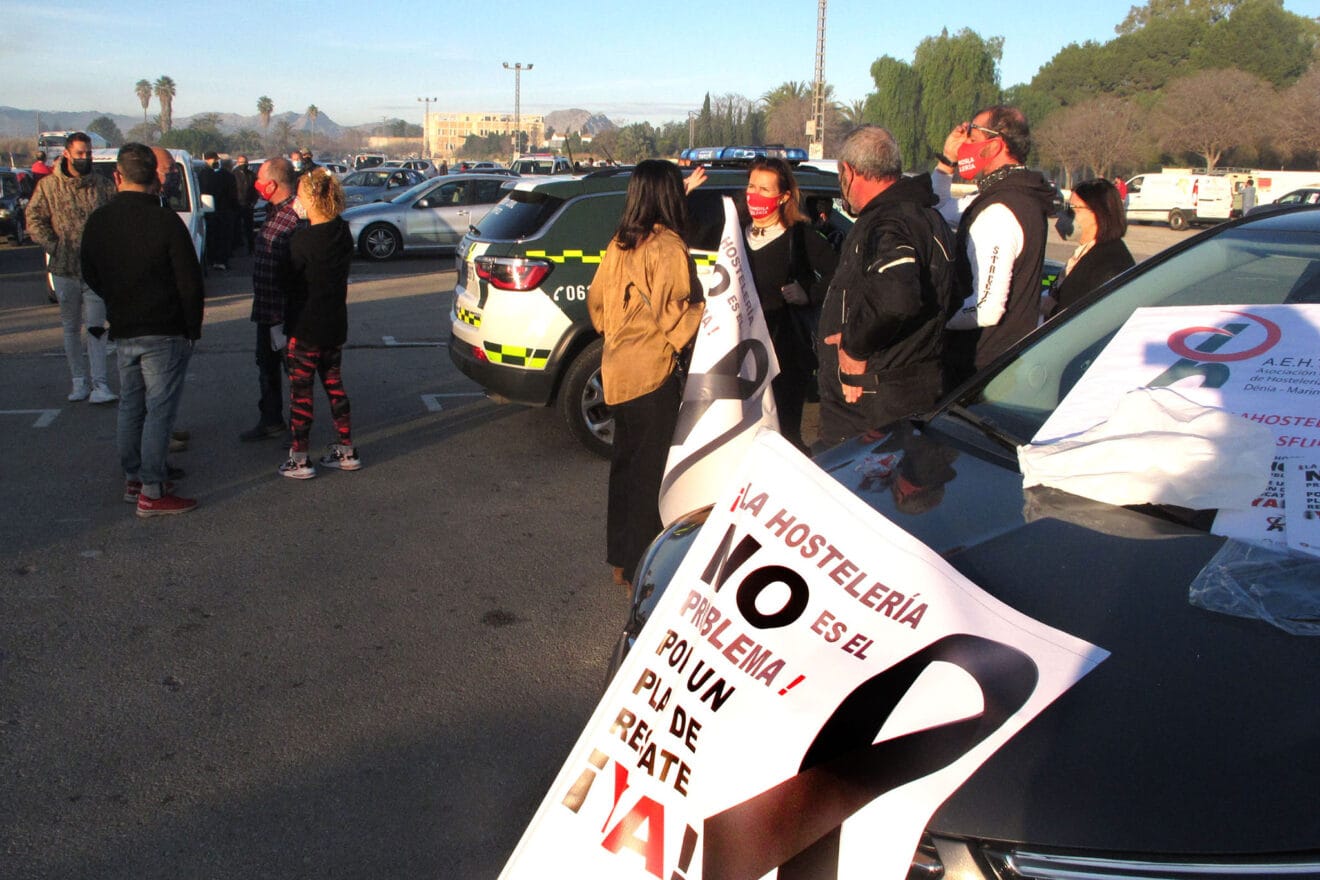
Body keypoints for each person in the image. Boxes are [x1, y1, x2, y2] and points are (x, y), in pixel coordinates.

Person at [587, 160, 704, 587]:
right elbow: (676, 320)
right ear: (668, 197)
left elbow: (597, 306)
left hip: (617, 369)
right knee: (651, 476)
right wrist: (709, 308)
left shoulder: (620, 243)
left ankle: (622, 559)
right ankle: (645, 569)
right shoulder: (668, 246)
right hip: (652, 375)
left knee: (626, 468)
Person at [80, 143, 204, 517]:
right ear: (155, 177)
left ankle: (134, 477)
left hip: (124, 326)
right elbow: (189, 281)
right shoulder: (167, 222)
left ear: (118, 176)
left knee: (131, 406)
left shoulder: (99, 221)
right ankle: (152, 487)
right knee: (159, 410)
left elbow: (90, 272)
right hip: (163, 329)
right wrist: (192, 326)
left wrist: (117, 299)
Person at [817, 125, 958, 448]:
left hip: (869, 401)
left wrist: (854, 346)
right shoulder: (926, 217)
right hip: (905, 389)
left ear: (849, 172)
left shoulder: (889, 222)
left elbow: (897, 297)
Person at [933, 106, 1055, 389]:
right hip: (1006, 361)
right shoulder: (1013, 192)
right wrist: (946, 163)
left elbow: (987, 308)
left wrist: (937, 320)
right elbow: (939, 207)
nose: (965, 147)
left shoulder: (999, 209)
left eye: (972, 139)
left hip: (984, 369)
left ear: (996, 144)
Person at [740, 156, 837, 451]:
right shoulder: (735, 232)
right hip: (742, 356)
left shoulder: (800, 236)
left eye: (765, 189)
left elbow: (840, 273)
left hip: (785, 358)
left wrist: (808, 291)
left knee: (783, 437)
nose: (755, 194)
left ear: (783, 197)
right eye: (751, 186)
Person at [277, 169, 359, 479]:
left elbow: (288, 281)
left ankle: (299, 457)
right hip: (334, 324)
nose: (296, 200)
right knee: (334, 385)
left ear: (311, 198)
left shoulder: (302, 240)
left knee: (302, 392)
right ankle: (347, 449)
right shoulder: (341, 233)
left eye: (299, 194)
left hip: (305, 326)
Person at [26, 131, 119, 404]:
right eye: (79, 153)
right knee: (70, 327)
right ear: (67, 153)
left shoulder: (102, 186)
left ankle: (100, 383)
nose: (84, 158)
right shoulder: (48, 187)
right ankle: (78, 381)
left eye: (88, 153)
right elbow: (34, 219)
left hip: (95, 270)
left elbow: (115, 219)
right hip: (64, 268)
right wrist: (53, 245)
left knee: (96, 327)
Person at [241, 157, 300, 441]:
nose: (257, 186)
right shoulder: (272, 211)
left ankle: (299, 431)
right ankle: (271, 419)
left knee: (294, 372)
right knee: (265, 366)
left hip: (285, 313)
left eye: (260, 182)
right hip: (265, 310)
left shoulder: (295, 216)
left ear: (272, 184)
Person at [1045, 178, 1135, 316]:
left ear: (1099, 214)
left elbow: (1092, 317)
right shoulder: (1087, 251)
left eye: (1073, 209)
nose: (1063, 215)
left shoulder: (1110, 264)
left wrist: (1051, 309)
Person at [200, 151, 238, 270]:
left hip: (214, 211)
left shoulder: (202, 175)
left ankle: (215, 260)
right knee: (222, 238)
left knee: (216, 237)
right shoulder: (226, 175)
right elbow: (233, 195)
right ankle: (220, 260)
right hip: (222, 211)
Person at [231, 154, 258, 255]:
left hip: (248, 205)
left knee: (249, 228)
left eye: (245, 162)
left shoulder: (251, 175)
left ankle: (251, 248)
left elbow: (256, 190)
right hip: (237, 205)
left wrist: (253, 202)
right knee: (236, 227)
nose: (243, 164)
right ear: (238, 163)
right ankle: (236, 247)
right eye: (241, 162)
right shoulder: (233, 174)